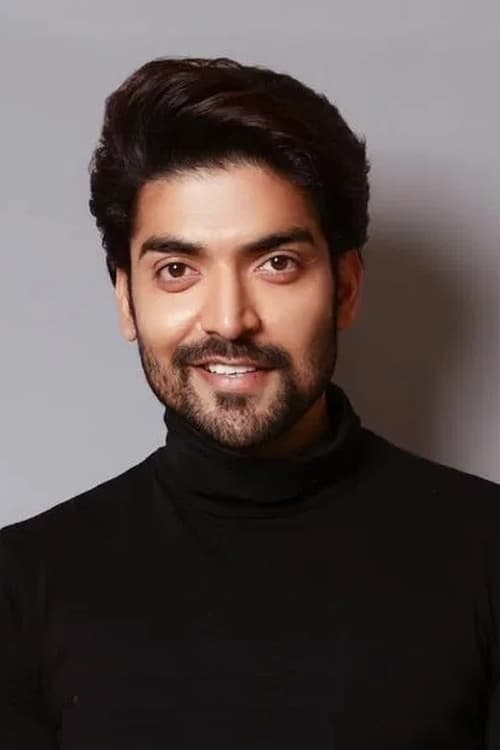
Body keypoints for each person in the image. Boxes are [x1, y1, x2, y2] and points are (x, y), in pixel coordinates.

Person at [1, 56, 499, 750]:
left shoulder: (486, 552)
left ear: (346, 288)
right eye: (178, 270)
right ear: (127, 300)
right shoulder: (21, 585)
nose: (230, 319)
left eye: (276, 264)